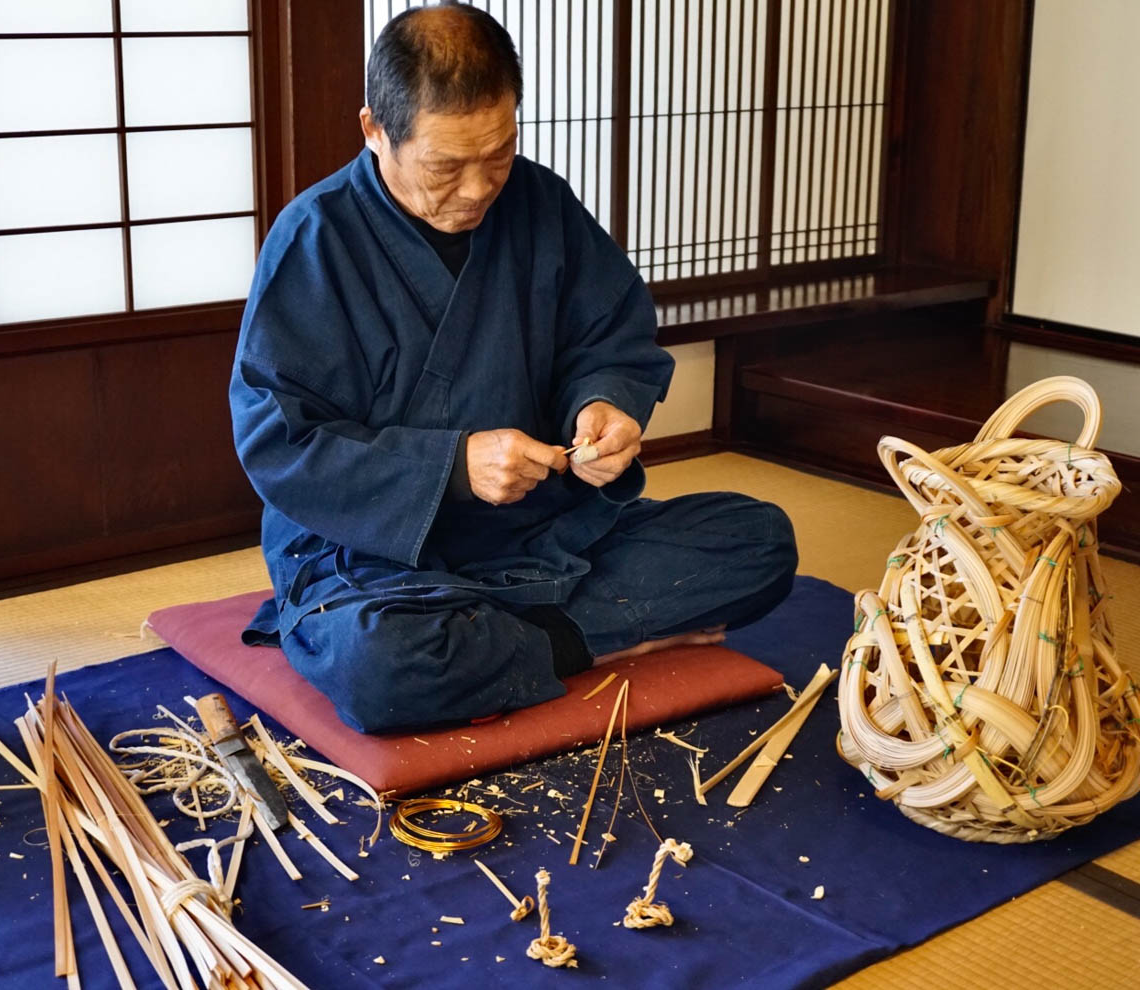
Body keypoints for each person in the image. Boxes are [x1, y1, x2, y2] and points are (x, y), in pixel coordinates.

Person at [230, 2, 796, 733]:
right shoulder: (316, 239)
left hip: (542, 537)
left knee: (759, 540)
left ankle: (507, 645)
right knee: (383, 664)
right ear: (374, 130)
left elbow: (608, 338)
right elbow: (281, 441)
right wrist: (453, 467)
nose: (476, 189)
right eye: (445, 165)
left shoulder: (539, 204)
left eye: (497, 154)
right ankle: (590, 638)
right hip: (376, 561)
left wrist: (604, 407)